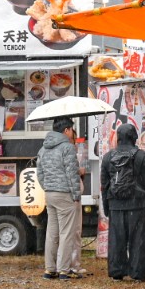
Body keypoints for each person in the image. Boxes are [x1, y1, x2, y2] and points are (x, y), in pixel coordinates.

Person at [101, 122, 145, 282]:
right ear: (134, 138)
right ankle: (138, 272)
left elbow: (105, 185)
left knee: (117, 239)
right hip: (137, 204)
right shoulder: (140, 156)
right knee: (138, 240)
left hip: (116, 205)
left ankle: (117, 271)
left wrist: (107, 207)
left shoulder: (108, 157)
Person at [37, 118, 83, 279]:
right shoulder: (67, 148)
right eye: (71, 129)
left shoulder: (43, 148)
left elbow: (40, 173)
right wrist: (76, 195)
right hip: (65, 194)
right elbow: (72, 174)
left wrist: (47, 187)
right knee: (66, 233)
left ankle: (50, 269)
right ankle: (64, 269)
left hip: (49, 194)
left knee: (52, 233)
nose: (72, 132)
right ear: (66, 130)